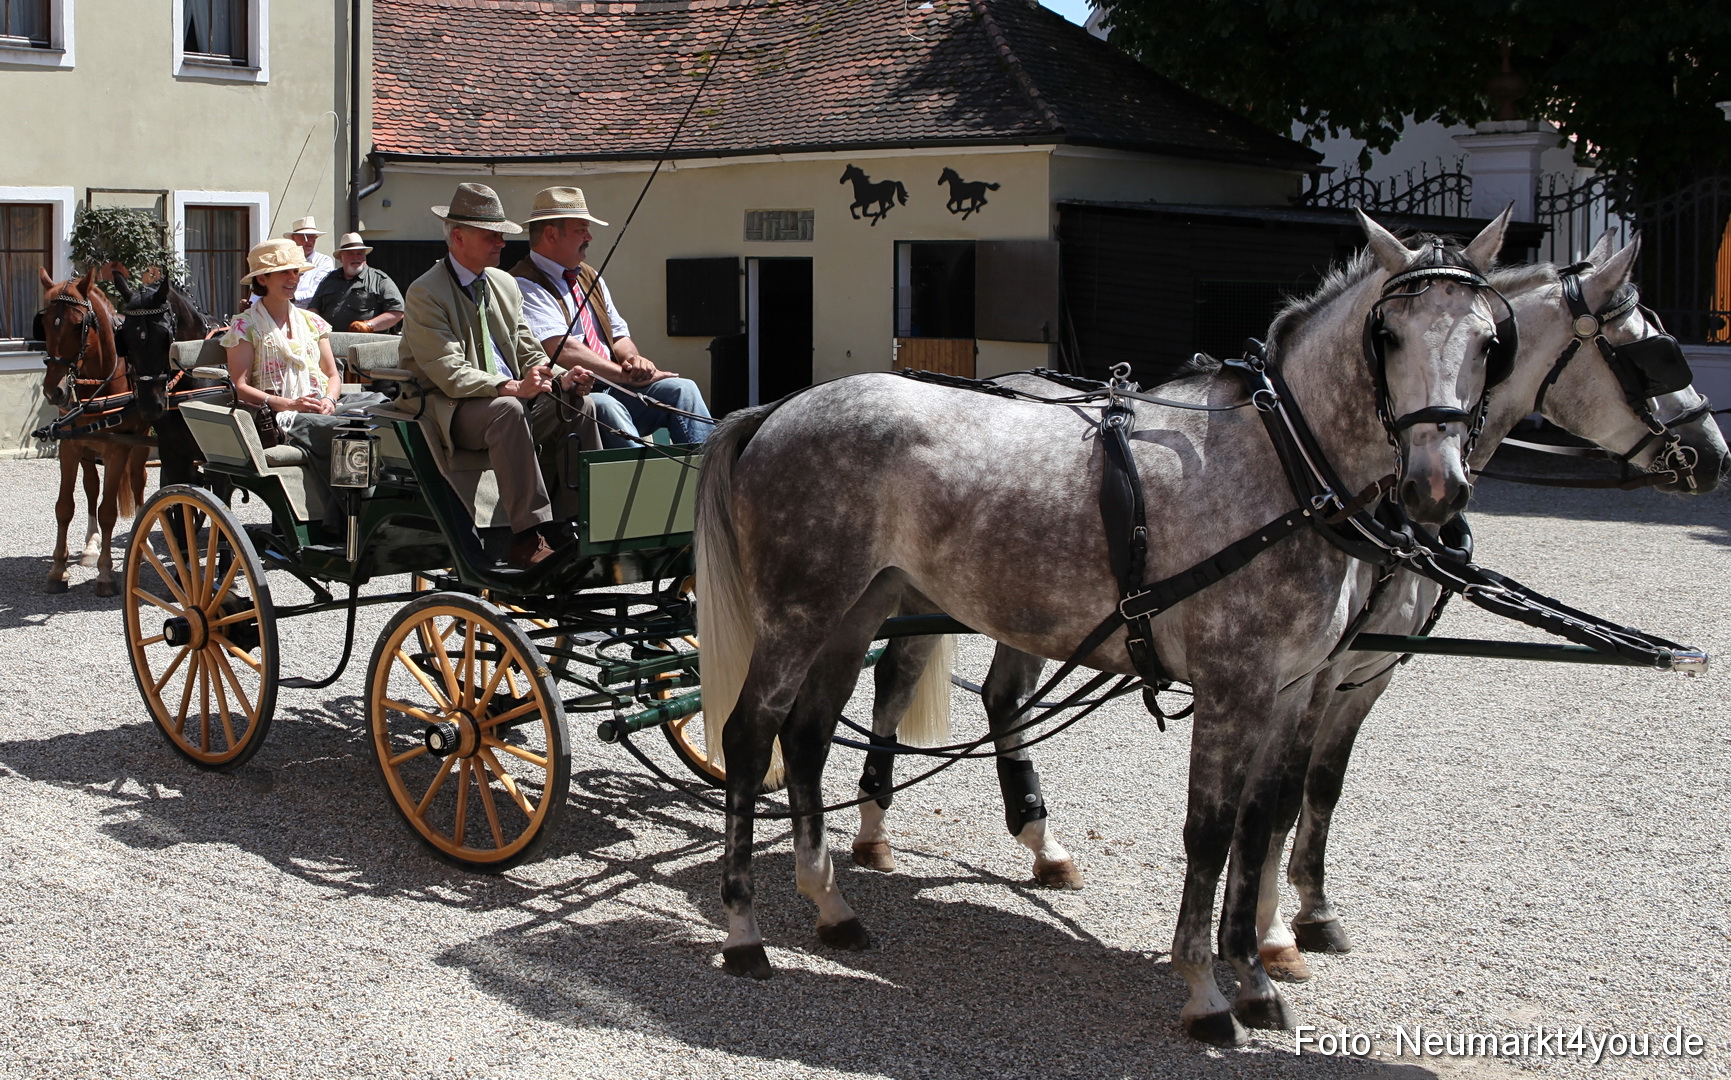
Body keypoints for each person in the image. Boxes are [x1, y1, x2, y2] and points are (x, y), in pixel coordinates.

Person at [398, 183, 601, 569]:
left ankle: (575, 522)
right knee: (507, 409)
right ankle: (527, 536)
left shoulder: (503, 285)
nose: (502, 243)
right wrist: (511, 387)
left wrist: (562, 377)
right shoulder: (425, 292)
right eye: (491, 235)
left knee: (581, 404)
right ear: (458, 236)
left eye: (502, 235)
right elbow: (449, 372)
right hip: (446, 408)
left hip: (503, 398)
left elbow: (529, 351)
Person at [511, 186, 713, 447]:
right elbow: (561, 348)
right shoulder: (524, 283)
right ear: (551, 234)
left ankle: (710, 477)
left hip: (613, 384)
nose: (589, 237)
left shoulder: (588, 275)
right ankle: (643, 483)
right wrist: (624, 375)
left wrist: (633, 360)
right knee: (605, 405)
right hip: (568, 395)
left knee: (683, 390)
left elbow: (617, 334)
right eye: (580, 230)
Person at [221, 239, 386, 525]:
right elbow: (240, 386)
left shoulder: (313, 322)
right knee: (343, 429)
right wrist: (289, 404)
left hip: (322, 404)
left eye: (296, 271)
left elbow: (333, 375)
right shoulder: (244, 325)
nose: (293, 278)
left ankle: (389, 491)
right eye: (284, 272)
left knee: (382, 406)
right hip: (280, 415)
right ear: (263, 278)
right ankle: (353, 513)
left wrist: (328, 400)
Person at [310, 233, 405, 334]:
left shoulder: (379, 280)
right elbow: (313, 308)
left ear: (365, 257)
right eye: (350, 253)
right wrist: (318, 327)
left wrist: (369, 326)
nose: (355, 257)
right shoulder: (329, 279)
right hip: (331, 341)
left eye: (359, 253)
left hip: (367, 344)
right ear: (341, 258)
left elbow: (397, 312)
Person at [284, 216, 336, 307]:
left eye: (312, 237)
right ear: (293, 238)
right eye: (304, 237)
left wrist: (291, 296)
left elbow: (319, 290)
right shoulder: (285, 260)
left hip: (310, 312)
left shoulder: (324, 261)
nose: (309, 241)